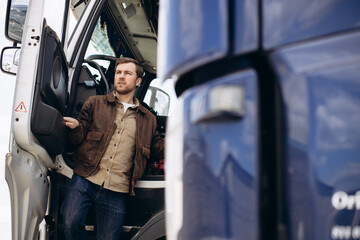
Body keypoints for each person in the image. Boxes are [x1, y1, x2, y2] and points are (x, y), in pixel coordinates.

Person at [61, 57, 164, 240]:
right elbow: (78, 137)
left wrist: (184, 139)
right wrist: (77, 127)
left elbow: (158, 147)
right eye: (118, 73)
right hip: (85, 178)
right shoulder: (95, 103)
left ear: (138, 81)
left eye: (127, 73)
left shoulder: (148, 119)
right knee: (71, 223)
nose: (121, 77)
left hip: (117, 189)